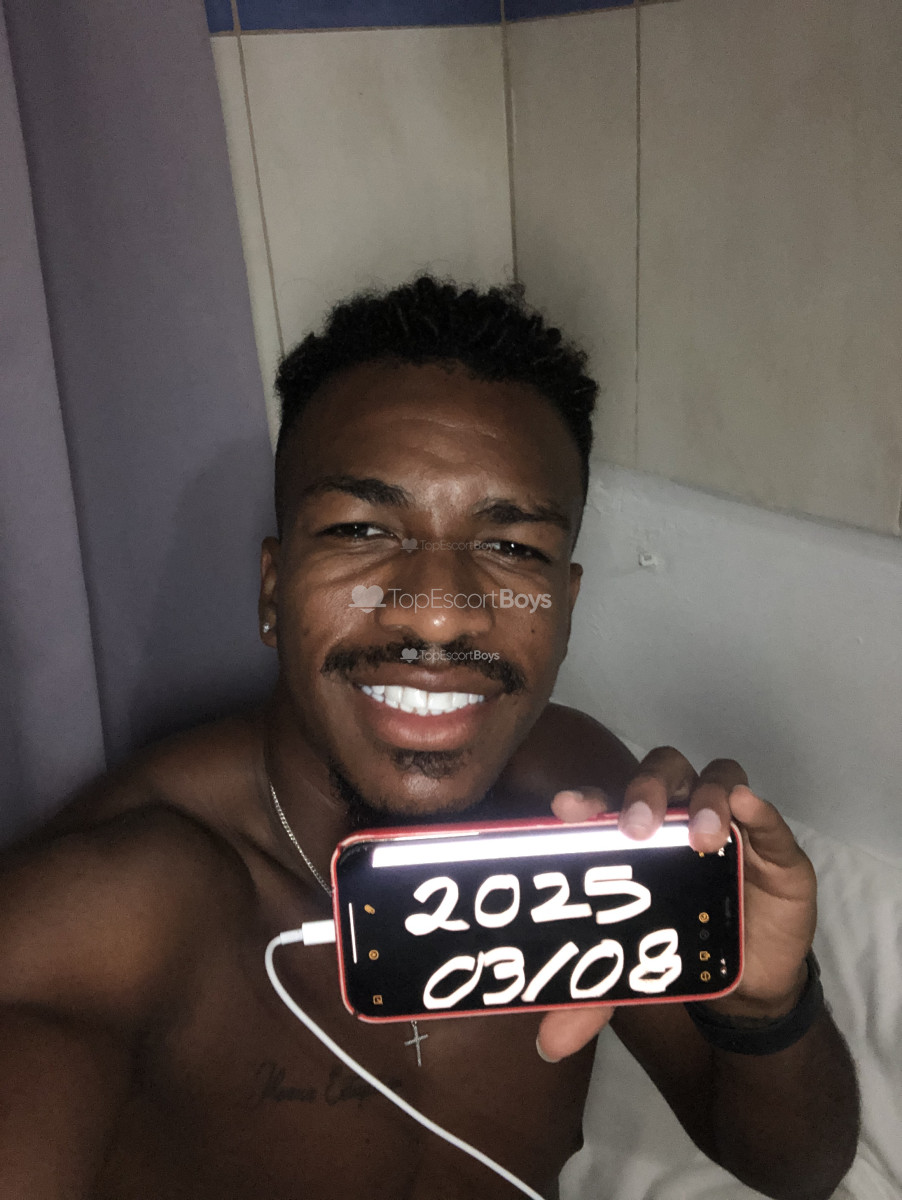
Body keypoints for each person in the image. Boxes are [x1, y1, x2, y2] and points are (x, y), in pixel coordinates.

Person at [0, 276, 858, 1199]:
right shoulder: (112, 914)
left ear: (565, 609)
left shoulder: (576, 796)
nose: (442, 616)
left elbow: (796, 1170)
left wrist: (764, 1009)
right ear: (273, 591)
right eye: (362, 529)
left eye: (513, 549)